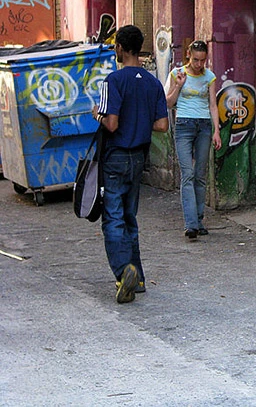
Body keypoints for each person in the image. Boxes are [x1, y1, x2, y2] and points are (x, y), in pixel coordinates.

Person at [93, 25, 169, 304]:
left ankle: (124, 269)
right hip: (139, 157)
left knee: (112, 217)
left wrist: (96, 115)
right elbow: (162, 125)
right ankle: (137, 278)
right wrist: (138, 122)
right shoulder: (153, 83)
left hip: (115, 157)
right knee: (129, 217)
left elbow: (110, 123)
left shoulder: (112, 81)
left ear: (120, 49)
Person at [166, 40, 222, 240]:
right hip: (183, 125)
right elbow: (169, 102)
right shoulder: (177, 73)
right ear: (188, 54)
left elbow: (213, 105)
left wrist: (216, 130)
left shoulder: (209, 76)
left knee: (200, 175)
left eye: (203, 60)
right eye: (196, 60)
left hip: (204, 125)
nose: (199, 64)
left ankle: (198, 220)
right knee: (187, 174)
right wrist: (179, 86)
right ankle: (191, 225)